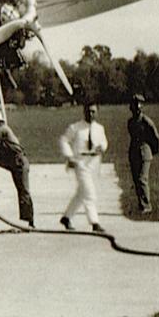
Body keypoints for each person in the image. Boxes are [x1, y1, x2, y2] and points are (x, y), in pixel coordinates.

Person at [59, 100, 108, 233]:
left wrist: (102, 147)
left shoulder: (100, 128)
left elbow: (104, 142)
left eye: (93, 111)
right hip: (80, 163)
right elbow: (63, 140)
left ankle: (67, 217)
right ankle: (94, 222)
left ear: (97, 112)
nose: (90, 114)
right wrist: (69, 156)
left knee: (82, 193)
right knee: (90, 194)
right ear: (84, 111)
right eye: (88, 111)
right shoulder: (75, 127)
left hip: (94, 163)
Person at [127, 94, 159, 214]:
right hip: (134, 153)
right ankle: (141, 204)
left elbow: (155, 136)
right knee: (136, 180)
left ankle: (147, 205)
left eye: (138, 105)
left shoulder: (146, 121)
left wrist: (153, 150)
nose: (136, 108)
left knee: (142, 179)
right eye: (133, 105)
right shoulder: (130, 122)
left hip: (144, 153)